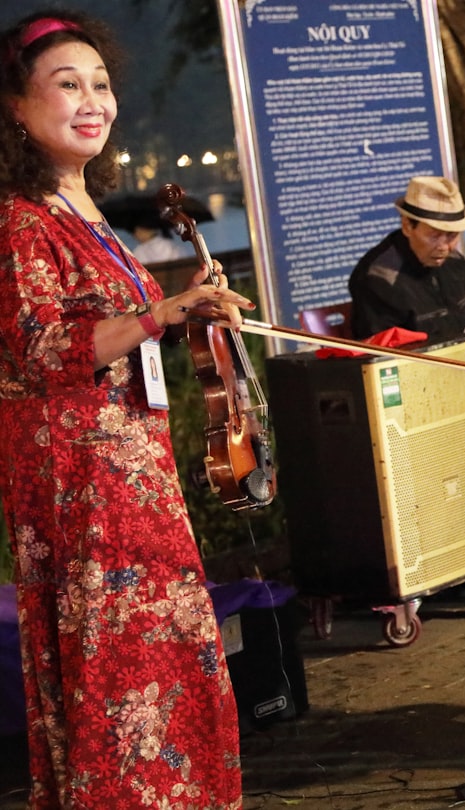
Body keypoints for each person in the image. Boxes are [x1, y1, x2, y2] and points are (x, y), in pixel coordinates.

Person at [0, 12, 257, 807]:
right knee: (116, 665)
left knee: (168, 646)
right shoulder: (19, 219)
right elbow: (42, 349)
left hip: (136, 473)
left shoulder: (84, 209)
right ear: (14, 106)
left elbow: (118, 336)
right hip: (79, 486)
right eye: (67, 85)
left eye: (101, 84)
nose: (93, 102)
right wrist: (160, 313)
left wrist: (188, 311)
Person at [349, 175, 465, 348]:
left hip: (456, 362)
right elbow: (386, 354)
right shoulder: (378, 279)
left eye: (452, 235)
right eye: (434, 235)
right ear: (407, 226)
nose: (444, 247)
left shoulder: (454, 263)